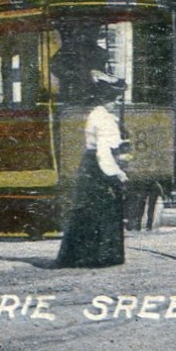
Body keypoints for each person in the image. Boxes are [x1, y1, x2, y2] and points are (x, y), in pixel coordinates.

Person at [56, 72, 129, 267]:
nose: (116, 103)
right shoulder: (104, 119)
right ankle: (101, 256)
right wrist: (117, 173)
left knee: (85, 211)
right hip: (99, 170)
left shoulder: (96, 114)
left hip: (89, 169)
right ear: (106, 98)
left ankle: (81, 255)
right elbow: (103, 152)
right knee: (103, 212)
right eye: (114, 99)